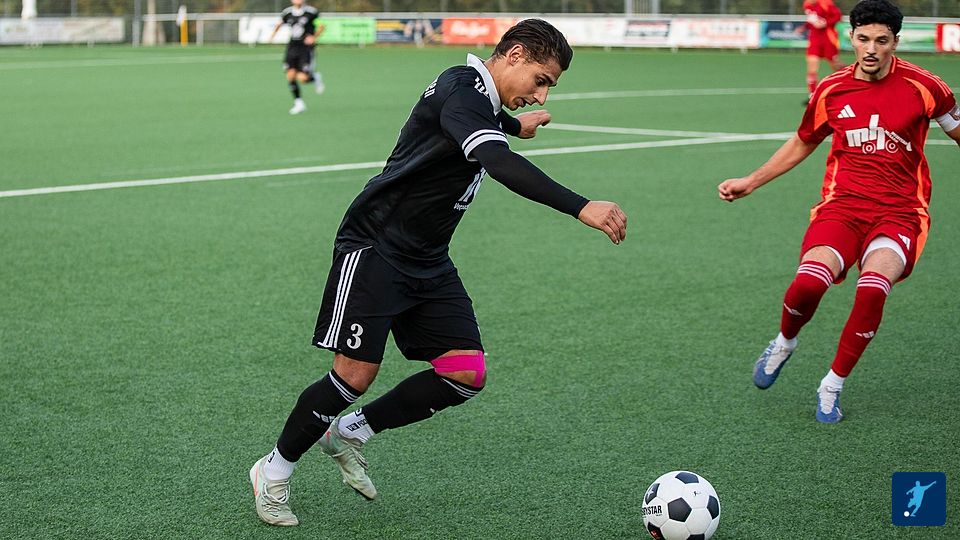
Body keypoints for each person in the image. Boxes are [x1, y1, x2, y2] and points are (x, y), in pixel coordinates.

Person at [249, 19, 627, 526]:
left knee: (465, 373)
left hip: (427, 257)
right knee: (354, 374)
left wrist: (516, 125)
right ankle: (273, 471)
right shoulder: (460, 86)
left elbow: (479, 122)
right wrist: (581, 206)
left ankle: (350, 432)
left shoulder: (478, 99)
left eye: (548, 88)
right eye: (541, 80)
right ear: (514, 55)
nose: (540, 95)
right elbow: (495, 159)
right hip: (376, 246)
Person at [718, 0, 960, 424]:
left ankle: (832, 385)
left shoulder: (926, 87)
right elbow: (803, 141)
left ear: (895, 42)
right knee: (807, 285)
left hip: (901, 212)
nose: (871, 49)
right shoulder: (832, 89)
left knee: (872, 289)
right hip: (842, 207)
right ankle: (785, 342)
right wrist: (751, 180)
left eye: (881, 40)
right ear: (851, 38)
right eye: (863, 39)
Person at [269, 0, 325, 115]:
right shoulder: (287, 12)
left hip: (305, 49)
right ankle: (299, 103)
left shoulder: (311, 12)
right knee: (290, 75)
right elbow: (279, 24)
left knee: (303, 79)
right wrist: (272, 36)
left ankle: (315, 78)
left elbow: (321, 26)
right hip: (292, 47)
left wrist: (314, 37)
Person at [800, 0, 844, 103]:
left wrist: (825, 23)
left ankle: (847, 83)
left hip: (828, 39)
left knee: (835, 66)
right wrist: (804, 27)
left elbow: (838, 16)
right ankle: (812, 96)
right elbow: (811, 20)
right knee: (812, 65)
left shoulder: (826, 3)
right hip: (814, 39)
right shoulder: (807, 5)